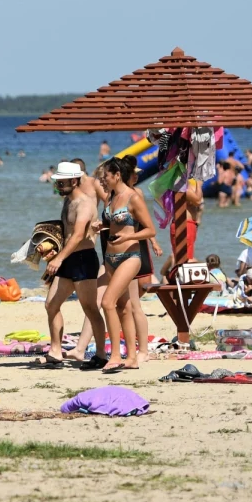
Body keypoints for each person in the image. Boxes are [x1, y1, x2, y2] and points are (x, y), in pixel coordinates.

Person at [37, 162, 107, 367]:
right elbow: (66, 232)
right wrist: (49, 246)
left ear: (74, 181)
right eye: (57, 182)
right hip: (67, 258)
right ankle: (56, 352)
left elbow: (77, 235)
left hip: (83, 259)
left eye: (62, 182)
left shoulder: (85, 204)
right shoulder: (68, 201)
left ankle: (101, 355)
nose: (58, 185)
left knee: (90, 308)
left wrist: (59, 259)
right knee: (51, 304)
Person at [95, 157, 155, 373]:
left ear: (117, 175)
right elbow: (113, 224)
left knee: (107, 302)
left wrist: (129, 237)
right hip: (110, 258)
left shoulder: (133, 197)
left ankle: (115, 356)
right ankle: (131, 358)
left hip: (130, 257)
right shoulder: (111, 197)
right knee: (124, 307)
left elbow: (150, 230)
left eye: (106, 176)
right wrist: (101, 226)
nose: (103, 180)